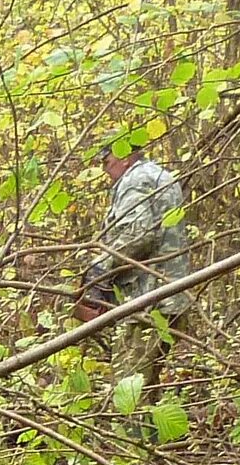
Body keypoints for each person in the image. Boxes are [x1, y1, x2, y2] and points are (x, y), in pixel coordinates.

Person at [75, 145, 194, 377]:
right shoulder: (162, 176)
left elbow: (137, 235)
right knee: (149, 388)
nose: (104, 169)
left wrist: (100, 267)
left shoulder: (134, 180)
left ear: (126, 157)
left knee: (128, 390)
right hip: (172, 296)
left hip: (146, 302)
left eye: (107, 162)